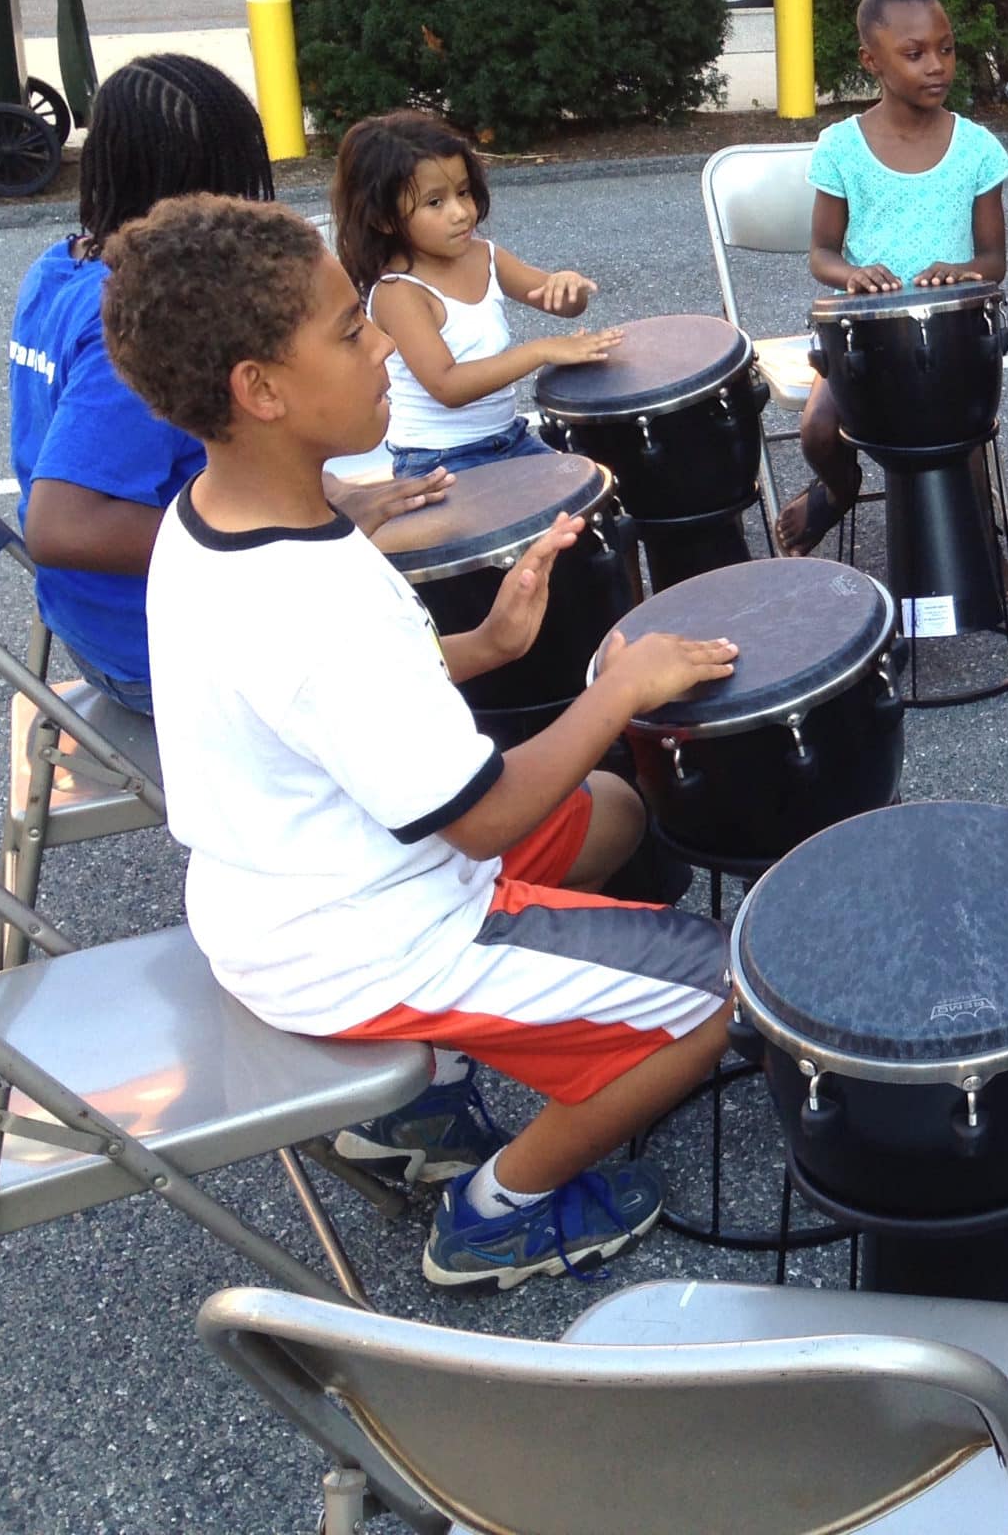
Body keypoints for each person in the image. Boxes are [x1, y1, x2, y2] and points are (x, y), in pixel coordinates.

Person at [104, 194, 742, 1289]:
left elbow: (327, 710)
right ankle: (496, 1213)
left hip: (292, 891)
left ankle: (426, 1097)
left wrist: (486, 646)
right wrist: (622, 689)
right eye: (351, 332)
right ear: (261, 390)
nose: (384, 350)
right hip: (369, 939)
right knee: (721, 997)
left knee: (611, 814)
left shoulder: (215, 516)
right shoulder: (316, 602)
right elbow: (485, 818)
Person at [7, 54, 446, 717]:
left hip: (95, 625)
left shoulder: (60, 267)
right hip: (157, 651)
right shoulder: (135, 325)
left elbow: (162, 456)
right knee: (411, 622)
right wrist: (289, 535)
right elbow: (61, 526)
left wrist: (319, 496)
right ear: (198, 195)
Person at [777, 0, 1008, 556]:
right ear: (872, 62)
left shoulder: (977, 148)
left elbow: (994, 261)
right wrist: (851, 276)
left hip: (949, 339)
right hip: (861, 336)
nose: (936, 66)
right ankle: (840, 489)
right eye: (914, 54)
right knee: (817, 432)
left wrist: (964, 271)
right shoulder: (841, 147)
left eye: (946, 49)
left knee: (958, 437)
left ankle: (980, 550)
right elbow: (822, 253)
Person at [335, 111, 617, 480]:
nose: (460, 213)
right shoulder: (399, 292)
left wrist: (568, 285)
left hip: (509, 438)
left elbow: (564, 306)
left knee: (588, 488)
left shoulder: (485, 256)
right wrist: (541, 351)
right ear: (384, 219)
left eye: (463, 192)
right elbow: (447, 385)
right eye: (435, 203)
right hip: (438, 460)